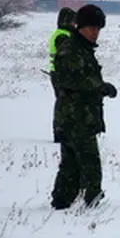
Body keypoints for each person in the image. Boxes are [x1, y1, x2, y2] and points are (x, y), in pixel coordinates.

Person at [49, 4, 117, 210]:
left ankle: (61, 201)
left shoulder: (83, 49)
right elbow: (73, 80)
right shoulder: (71, 49)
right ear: (80, 27)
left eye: (98, 29)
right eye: (91, 28)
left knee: (70, 165)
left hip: (79, 116)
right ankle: (93, 201)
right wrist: (101, 87)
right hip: (75, 117)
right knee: (90, 163)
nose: (95, 33)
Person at [48, 7, 76, 143]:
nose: (75, 24)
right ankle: (60, 135)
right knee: (63, 106)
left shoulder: (65, 34)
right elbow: (67, 57)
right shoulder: (62, 36)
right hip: (61, 75)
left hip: (62, 75)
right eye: (72, 22)